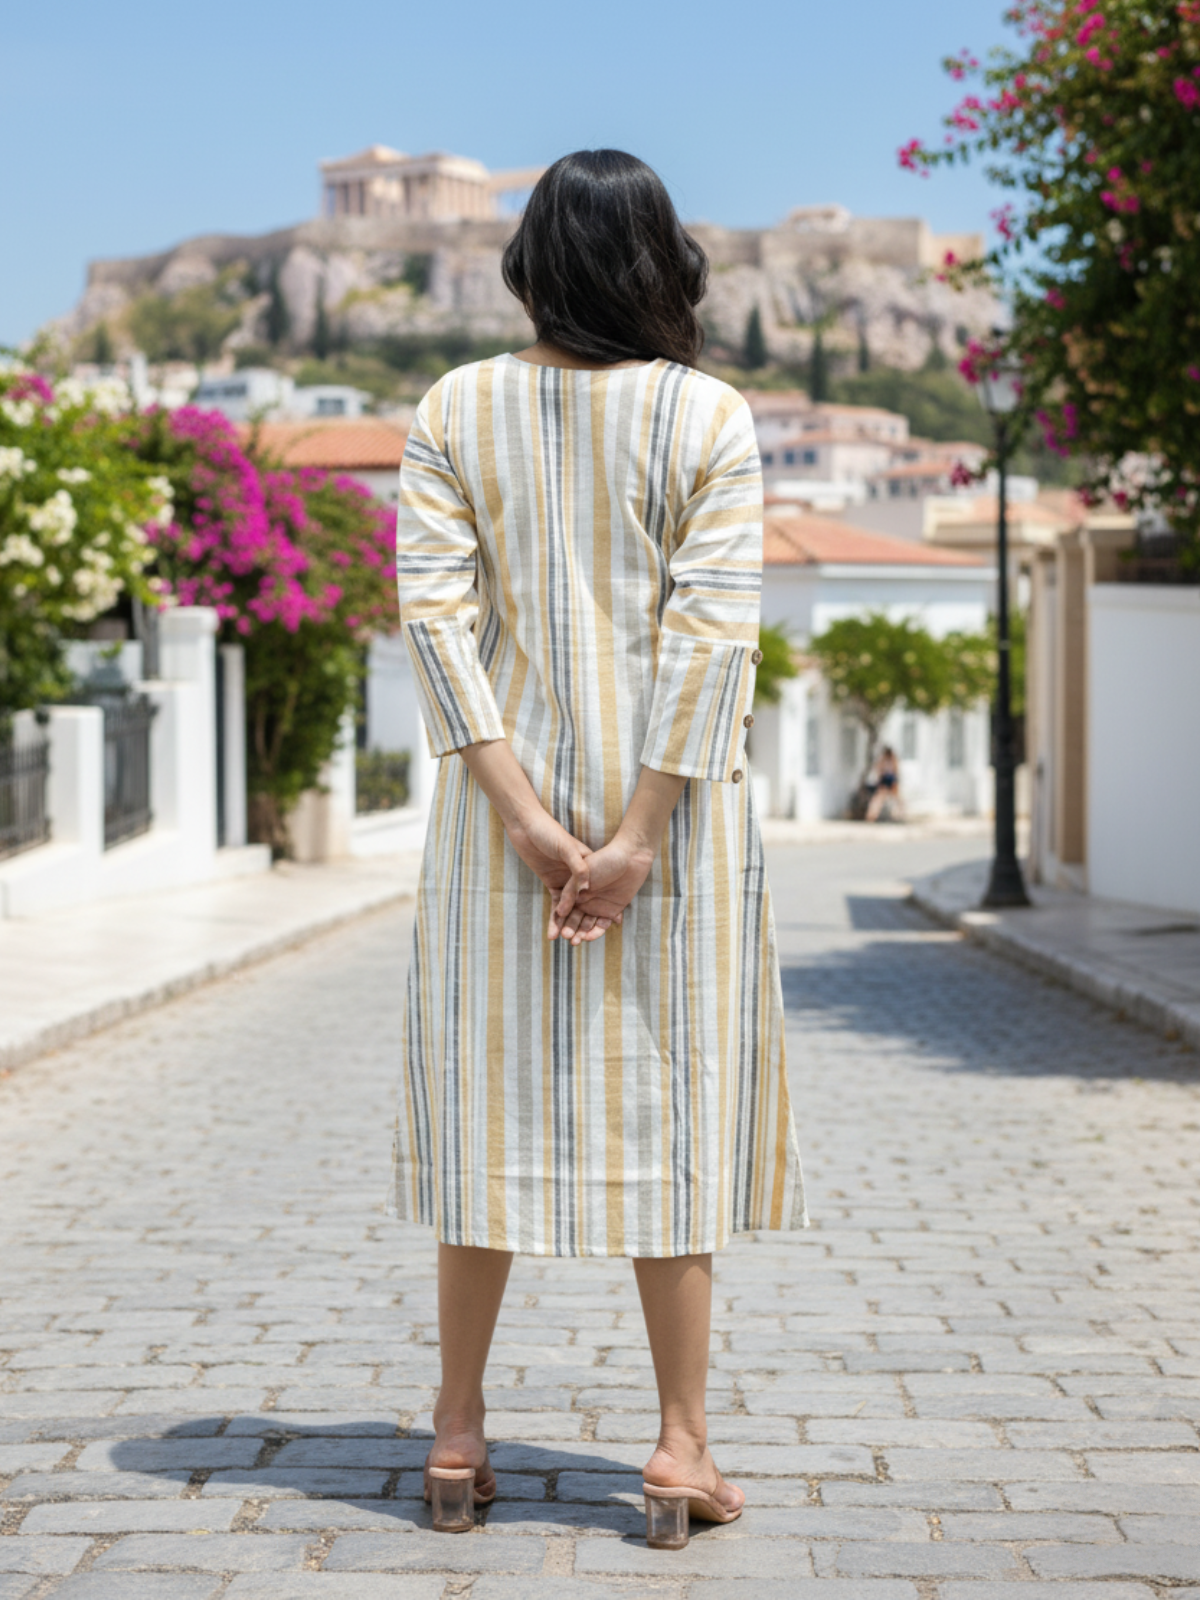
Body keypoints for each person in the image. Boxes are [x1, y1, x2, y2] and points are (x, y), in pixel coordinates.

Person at [390, 149, 807, 1550]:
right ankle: (682, 1446)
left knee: (479, 1109)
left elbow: (437, 628)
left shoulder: (455, 407)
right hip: (673, 827)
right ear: (663, 262)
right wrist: (630, 840)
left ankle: (456, 1433)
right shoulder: (709, 416)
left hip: (497, 828)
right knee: (674, 1116)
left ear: (528, 262)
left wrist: (526, 819)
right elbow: (712, 641)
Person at [865, 745, 904, 822]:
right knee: (880, 799)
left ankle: (899, 814)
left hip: (889, 780)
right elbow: (881, 770)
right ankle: (871, 816)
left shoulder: (891, 760)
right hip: (886, 780)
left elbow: (892, 771)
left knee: (895, 799)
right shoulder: (885, 760)